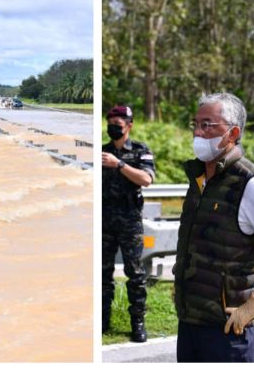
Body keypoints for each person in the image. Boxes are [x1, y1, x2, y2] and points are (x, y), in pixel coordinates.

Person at [173, 93, 254, 362]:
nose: (197, 132)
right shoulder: (199, 178)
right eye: (195, 123)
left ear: (233, 133)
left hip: (228, 328)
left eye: (207, 125)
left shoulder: (250, 183)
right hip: (191, 322)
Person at [101, 105, 155, 343]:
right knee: (103, 275)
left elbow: (146, 179)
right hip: (104, 221)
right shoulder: (102, 151)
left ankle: (138, 324)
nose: (113, 127)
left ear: (129, 126)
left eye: (118, 124)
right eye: (110, 123)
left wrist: (119, 165)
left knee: (135, 274)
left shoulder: (140, 150)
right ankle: (103, 321)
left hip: (130, 221)